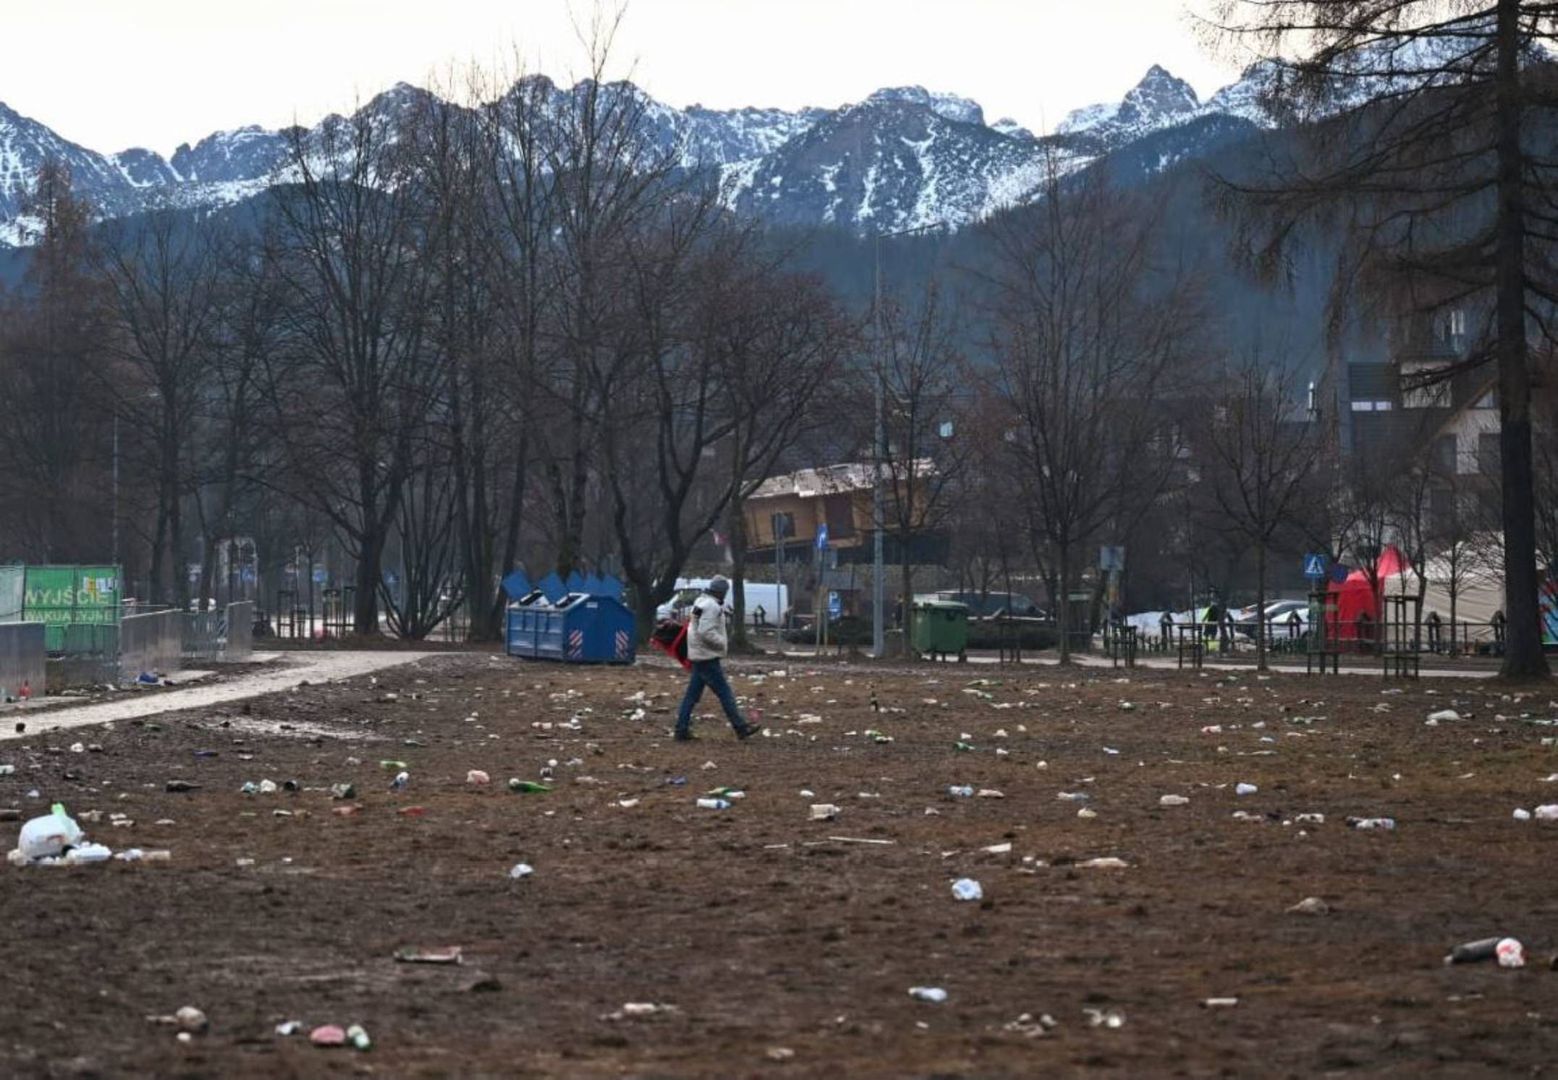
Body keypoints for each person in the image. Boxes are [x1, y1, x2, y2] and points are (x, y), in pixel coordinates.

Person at [676, 576, 762, 742]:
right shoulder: (712, 607)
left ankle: (681, 729)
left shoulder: (700, 602)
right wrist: (722, 643)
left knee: (691, 696)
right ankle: (740, 727)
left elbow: (696, 628)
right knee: (725, 693)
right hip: (707, 656)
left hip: (698, 654)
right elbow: (705, 631)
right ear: (722, 592)